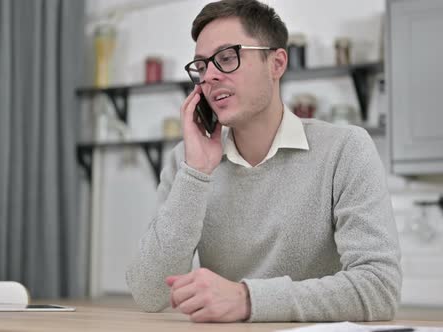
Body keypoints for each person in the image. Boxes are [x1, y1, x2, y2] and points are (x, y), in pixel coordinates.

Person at [126, 0, 401, 323]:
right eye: (201, 67)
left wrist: (247, 299)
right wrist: (196, 174)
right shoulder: (185, 164)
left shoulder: (345, 150)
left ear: (277, 63)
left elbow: (380, 287)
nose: (209, 77)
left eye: (227, 58)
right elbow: (148, 293)